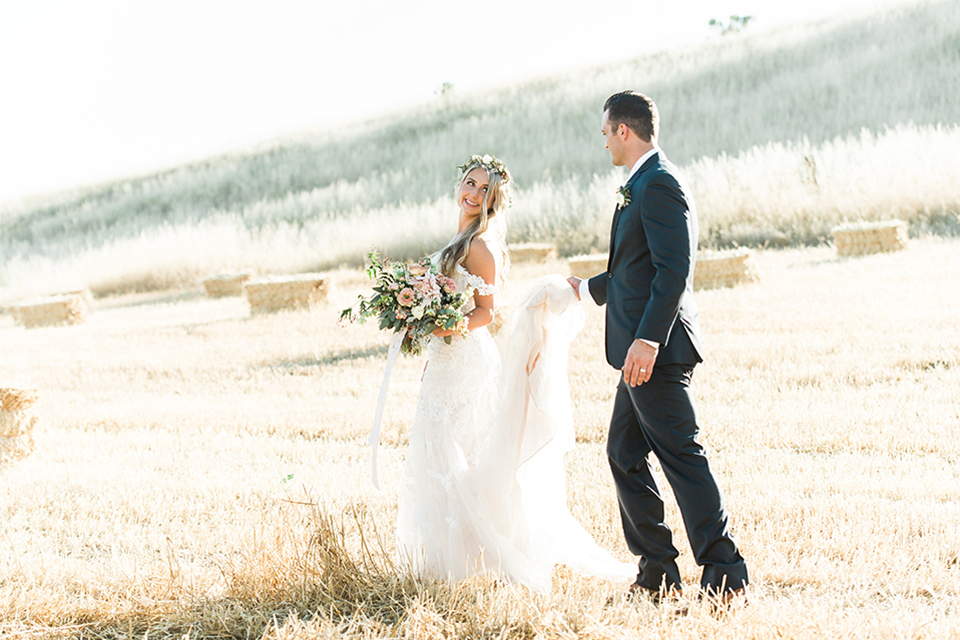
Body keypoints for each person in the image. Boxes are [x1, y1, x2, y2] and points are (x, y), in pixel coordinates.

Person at [394, 154, 635, 593]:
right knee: (440, 455)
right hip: (446, 360)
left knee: (462, 456)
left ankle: (485, 554)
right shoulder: (461, 236)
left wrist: (442, 325)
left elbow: (488, 312)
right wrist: (426, 328)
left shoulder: (481, 245)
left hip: (466, 362)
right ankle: (447, 561)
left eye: (483, 189)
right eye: (469, 182)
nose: (472, 193)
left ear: (493, 199)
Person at [567, 92, 749, 603]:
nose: (603, 142)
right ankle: (657, 573)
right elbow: (635, 269)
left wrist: (647, 338)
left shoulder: (660, 182)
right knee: (623, 453)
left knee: (682, 458)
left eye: (606, 133)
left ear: (624, 131)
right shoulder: (641, 183)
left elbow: (675, 269)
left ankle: (725, 574)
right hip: (637, 353)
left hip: (656, 352)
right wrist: (586, 290)